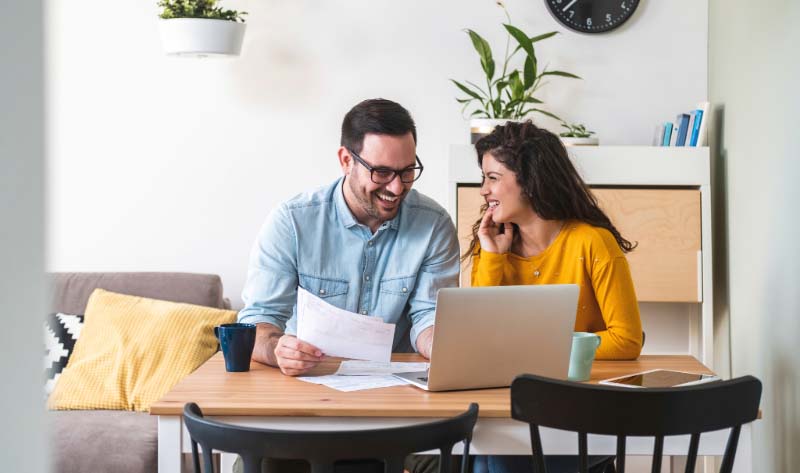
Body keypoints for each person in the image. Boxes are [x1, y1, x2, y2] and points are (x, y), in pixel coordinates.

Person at [465, 120, 642, 473]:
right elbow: (479, 340)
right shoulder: (494, 248)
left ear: (529, 181)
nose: (483, 189)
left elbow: (627, 340)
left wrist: (536, 354)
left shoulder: (592, 242)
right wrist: (493, 257)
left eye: (493, 177)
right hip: (508, 408)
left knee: (492, 456)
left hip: (577, 412)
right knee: (482, 450)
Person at [238, 98, 460, 376]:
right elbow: (258, 321)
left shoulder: (434, 225)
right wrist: (278, 350)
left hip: (396, 388)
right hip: (308, 382)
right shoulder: (291, 222)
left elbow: (429, 316)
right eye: (381, 172)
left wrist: (442, 345)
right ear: (346, 160)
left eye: (406, 172)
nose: (396, 187)